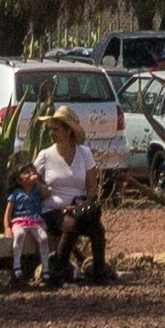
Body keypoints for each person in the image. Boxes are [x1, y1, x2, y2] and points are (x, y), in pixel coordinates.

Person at [34, 111, 109, 288]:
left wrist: (83, 204)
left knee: (96, 228)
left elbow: (92, 185)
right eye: (50, 129)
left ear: (68, 131)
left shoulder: (84, 154)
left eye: (56, 129)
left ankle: (99, 272)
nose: (52, 133)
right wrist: (41, 189)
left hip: (78, 207)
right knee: (70, 225)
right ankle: (58, 272)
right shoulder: (45, 155)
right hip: (52, 210)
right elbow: (30, 179)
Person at [5, 161, 50, 285]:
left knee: (44, 238)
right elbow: (8, 212)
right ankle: (16, 266)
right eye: (26, 173)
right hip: (20, 221)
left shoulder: (37, 190)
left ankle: (46, 269)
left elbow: (47, 194)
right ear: (19, 180)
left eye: (32, 171)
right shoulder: (15, 194)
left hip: (35, 220)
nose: (31, 174)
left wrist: (38, 182)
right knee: (19, 236)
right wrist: (7, 227)